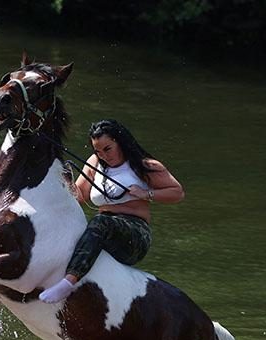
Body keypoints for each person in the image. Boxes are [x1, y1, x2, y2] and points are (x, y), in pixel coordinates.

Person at [39, 119, 184, 303]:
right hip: (102, 229)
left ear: (119, 141)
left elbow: (177, 193)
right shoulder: (95, 163)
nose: (103, 156)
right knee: (63, 227)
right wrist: (66, 182)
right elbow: (79, 197)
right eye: (98, 151)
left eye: (108, 149)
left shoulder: (144, 165)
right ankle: (25, 284)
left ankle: (68, 283)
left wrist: (146, 193)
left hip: (134, 235)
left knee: (100, 223)